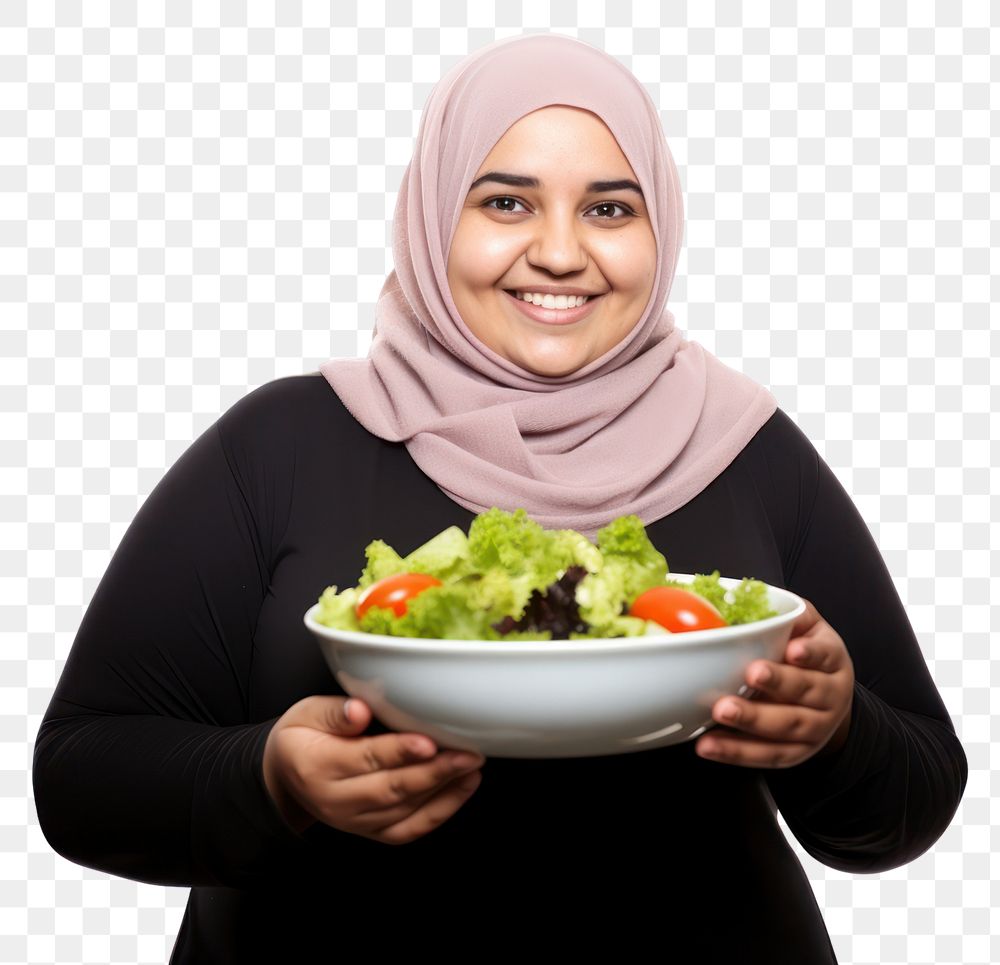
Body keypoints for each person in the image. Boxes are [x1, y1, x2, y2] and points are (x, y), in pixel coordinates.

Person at [32, 33, 967, 964]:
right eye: (507, 201)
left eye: (609, 207)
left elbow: (910, 804)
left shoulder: (749, 448)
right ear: (436, 215)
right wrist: (270, 777)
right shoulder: (279, 444)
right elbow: (80, 774)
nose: (560, 253)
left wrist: (838, 730)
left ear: (662, 228)